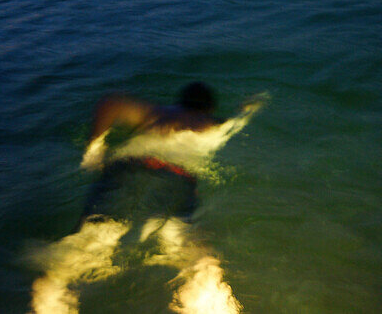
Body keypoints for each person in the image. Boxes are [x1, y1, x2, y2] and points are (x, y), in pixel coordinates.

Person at [31, 83, 266, 314]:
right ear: (209, 108)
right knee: (196, 255)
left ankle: (49, 302)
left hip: (126, 172)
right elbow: (240, 119)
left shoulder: (160, 113)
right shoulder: (213, 124)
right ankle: (210, 305)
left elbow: (110, 102)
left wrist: (94, 148)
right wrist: (249, 107)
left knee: (83, 247)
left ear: (180, 103)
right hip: (175, 181)